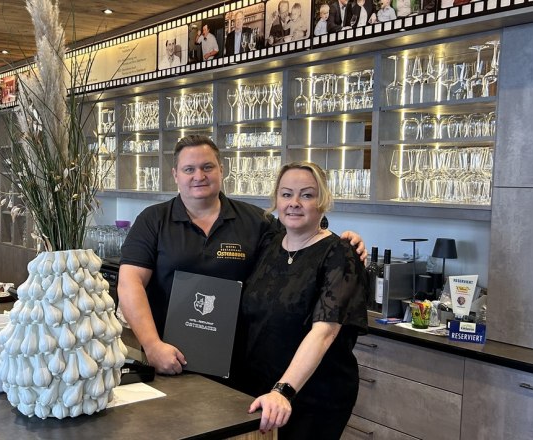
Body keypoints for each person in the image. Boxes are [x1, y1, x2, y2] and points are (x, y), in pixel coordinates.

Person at [118, 135, 365, 375]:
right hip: (168, 356)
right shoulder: (153, 220)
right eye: (189, 169)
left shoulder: (257, 221)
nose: (199, 176)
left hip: (240, 365)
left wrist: (339, 243)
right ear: (175, 175)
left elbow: (300, 241)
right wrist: (152, 345)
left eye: (207, 167)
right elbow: (130, 283)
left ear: (221, 170)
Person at [232, 161, 368, 439]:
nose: (294, 203)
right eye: (286, 194)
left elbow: (324, 332)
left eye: (306, 195)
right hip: (260, 388)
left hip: (313, 395)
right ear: (276, 200)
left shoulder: (340, 254)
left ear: (323, 201)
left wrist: (283, 390)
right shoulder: (270, 244)